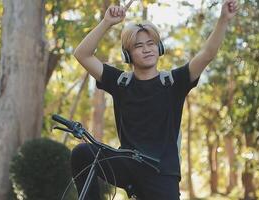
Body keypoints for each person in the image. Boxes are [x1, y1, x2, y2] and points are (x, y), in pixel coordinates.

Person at [71, 0, 238, 199]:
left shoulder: (174, 82)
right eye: (138, 46)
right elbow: (82, 54)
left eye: (151, 44)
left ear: (159, 47)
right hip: (128, 164)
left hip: (162, 172)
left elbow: (207, 54)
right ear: (128, 54)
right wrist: (107, 22)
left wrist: (223, 20)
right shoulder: (120, 82)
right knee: (82, 153)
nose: (146, 49)